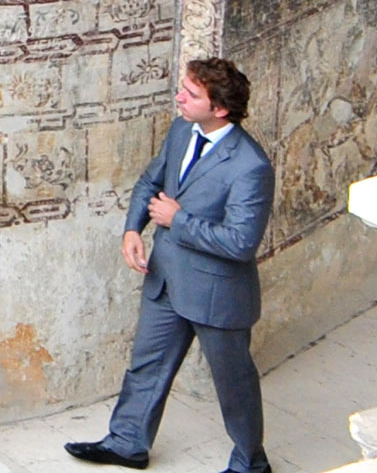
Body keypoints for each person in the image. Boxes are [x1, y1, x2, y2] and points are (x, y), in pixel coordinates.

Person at [68, 59, 273, 473]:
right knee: (146, 365)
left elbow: (241, 242)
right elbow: (150, 181)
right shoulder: (182, 130)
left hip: (217, 294)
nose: (179, 97)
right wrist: (133, 229)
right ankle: (127, 442)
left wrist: (177, 220)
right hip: (165, 280)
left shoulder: (250, 166)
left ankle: (251, 463)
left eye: (191, 94)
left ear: (220, 109)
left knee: (234, 385)